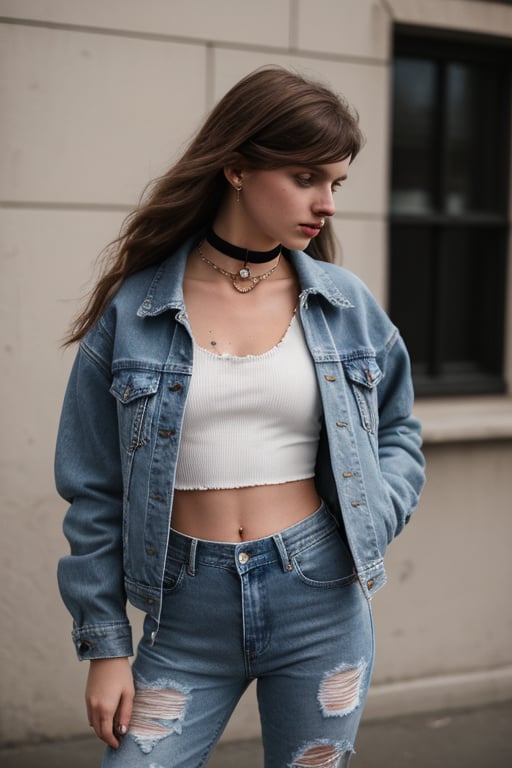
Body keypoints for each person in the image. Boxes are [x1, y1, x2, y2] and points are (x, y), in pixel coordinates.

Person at [56, 66, 425, 768]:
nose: (327, 204)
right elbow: (93, 486)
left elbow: (399, 429)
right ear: (235, 168)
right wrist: (106, 647)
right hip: (183, 608)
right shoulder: (135, 312)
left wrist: (374, 510)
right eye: (306, 177)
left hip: (319, 597)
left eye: (336, 183)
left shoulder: (345, 306)